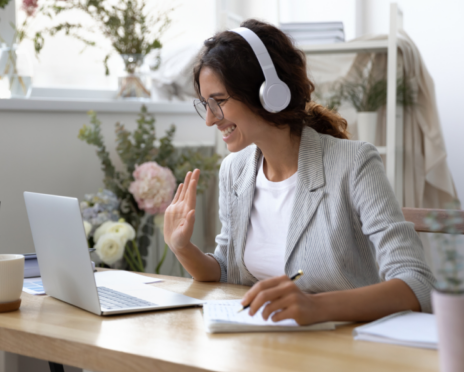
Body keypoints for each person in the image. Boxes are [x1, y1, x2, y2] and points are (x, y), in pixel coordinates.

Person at [163, 19, 435, 325]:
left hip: (343, 351)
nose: (210, 120)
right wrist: (183, 248)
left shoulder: (354, 163)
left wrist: (317, 307)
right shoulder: (234, 170)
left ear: (267, 92)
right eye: (205, 104)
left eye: (219, 102)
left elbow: (417, 284)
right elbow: (226, 270)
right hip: (257, 349)